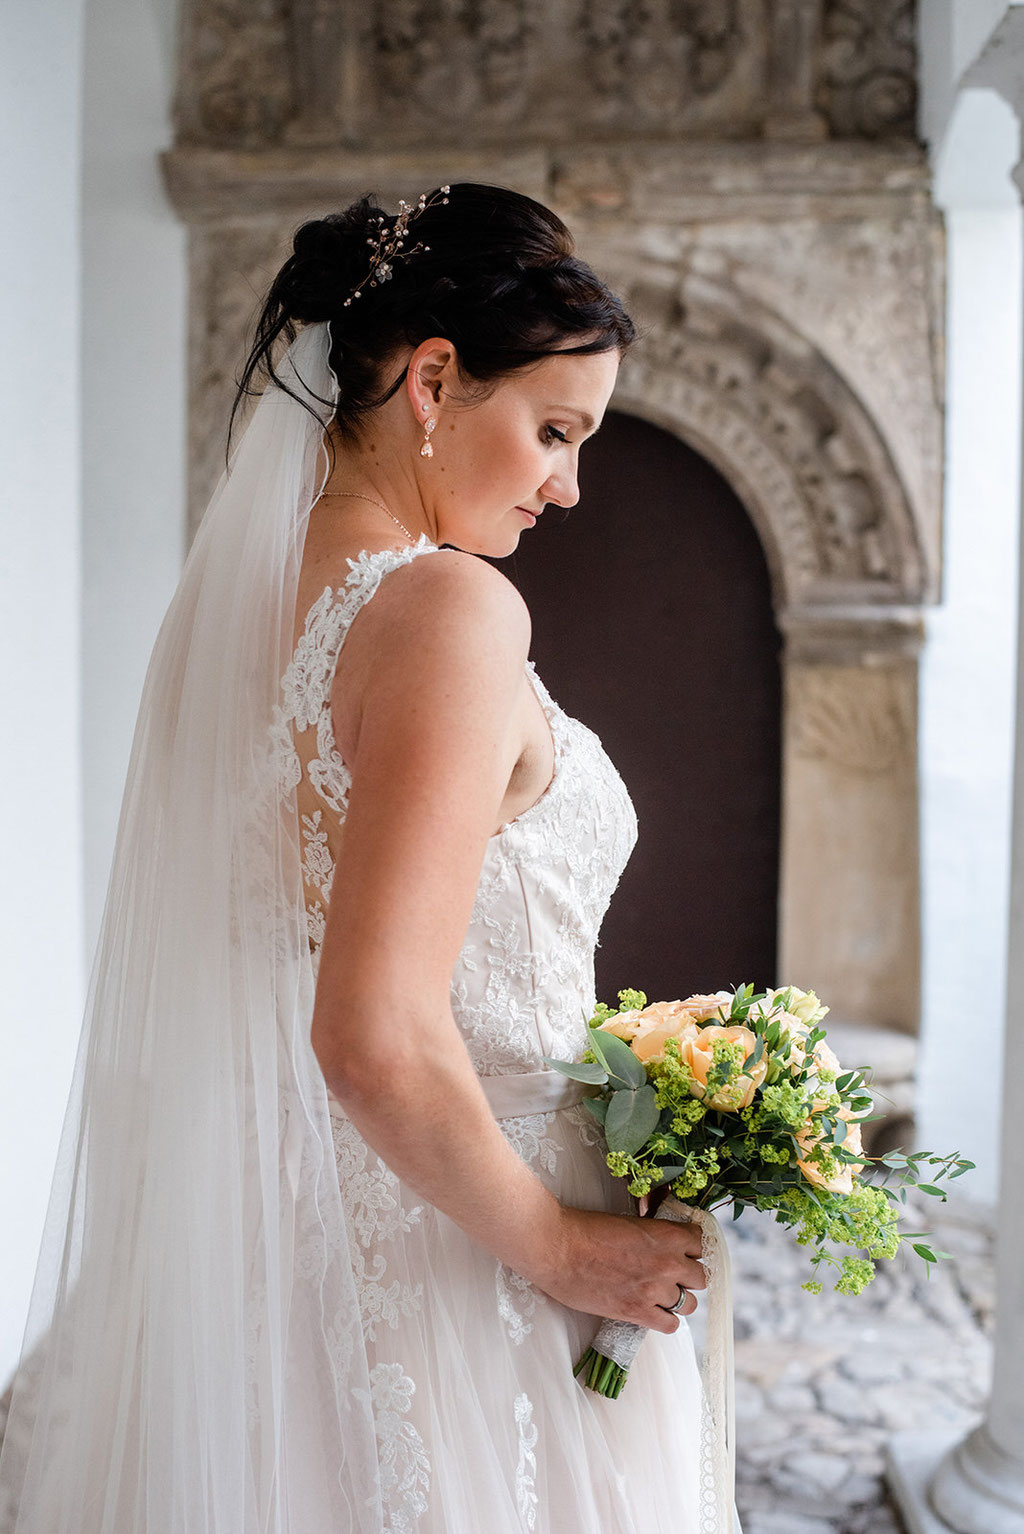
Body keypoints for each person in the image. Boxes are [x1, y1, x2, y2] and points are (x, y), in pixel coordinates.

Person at [0, 183, 723, 1533]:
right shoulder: (447, 610)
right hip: (471, 1268)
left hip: (301, 1243)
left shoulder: (237, 615)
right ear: (435, 379)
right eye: (556, 431)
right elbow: (376, 1032)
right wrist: (569, 1248)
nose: (569, 485)